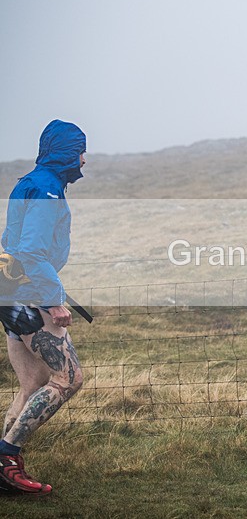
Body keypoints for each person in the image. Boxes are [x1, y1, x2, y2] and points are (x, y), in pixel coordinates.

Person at [0, 120, 87, 496]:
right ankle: (7, 459)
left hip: (10, 292)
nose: (85, 159)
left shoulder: (30, 182)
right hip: (30, 296)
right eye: (81, 150)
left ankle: (3, 467)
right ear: (67, 152)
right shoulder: (47, 189)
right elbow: (32, 250)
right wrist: (53, 300)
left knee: (32, 383)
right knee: (69, 379)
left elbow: (11, 241)